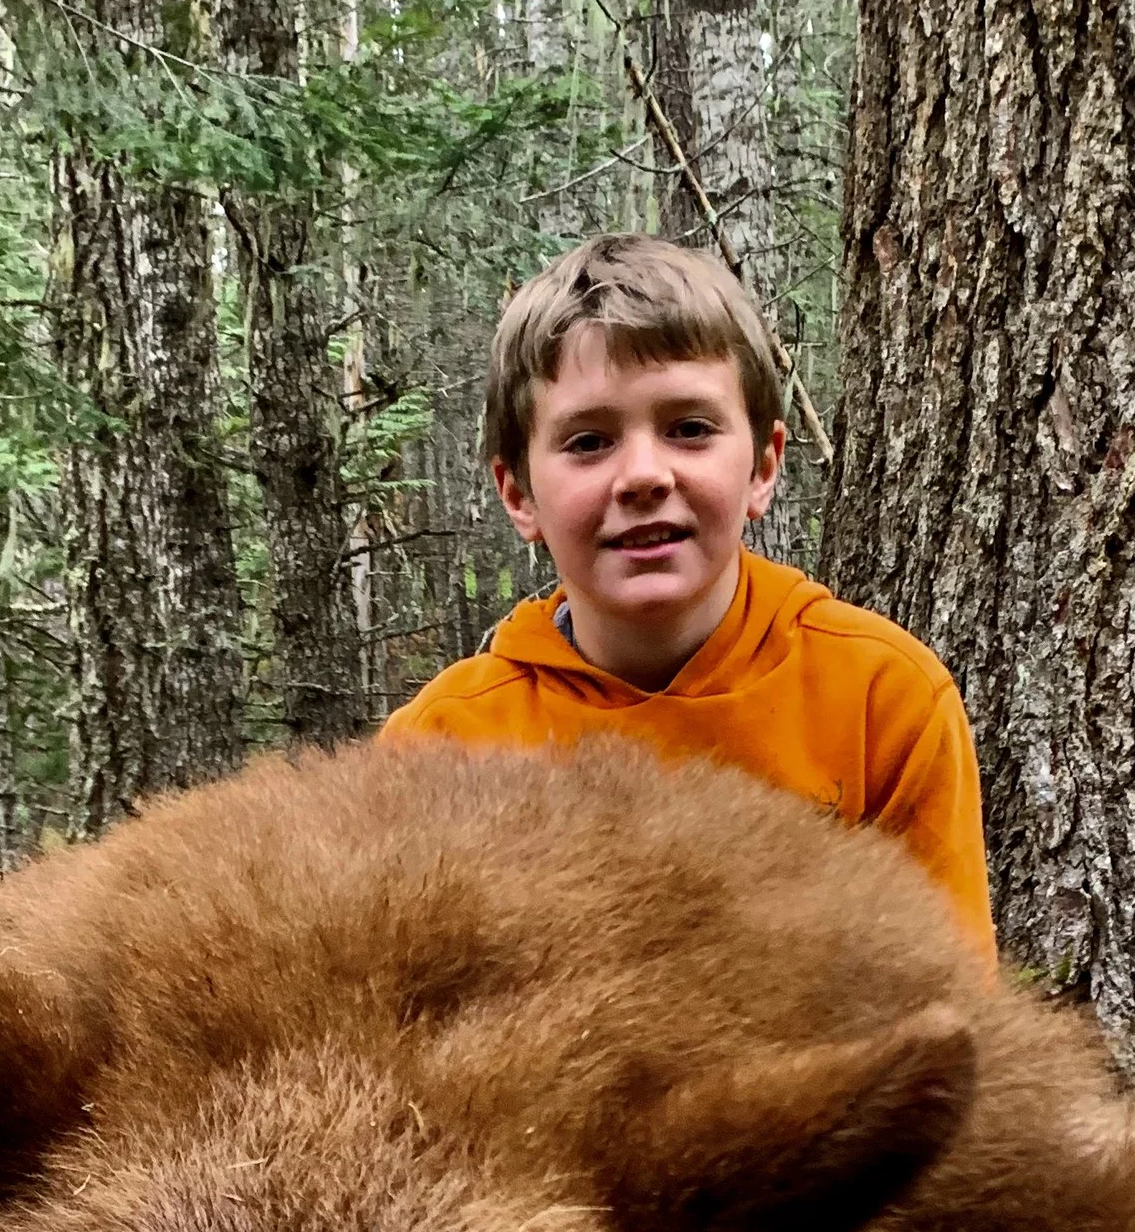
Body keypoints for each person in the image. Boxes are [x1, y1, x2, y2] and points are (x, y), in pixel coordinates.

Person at [379, 234, 996, 964]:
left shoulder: (880, 700)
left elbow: (952, 1010)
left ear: (764, 467)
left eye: (689, 429)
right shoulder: (442, 745)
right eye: (588, 441)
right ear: (520, 494)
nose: (643, 474)